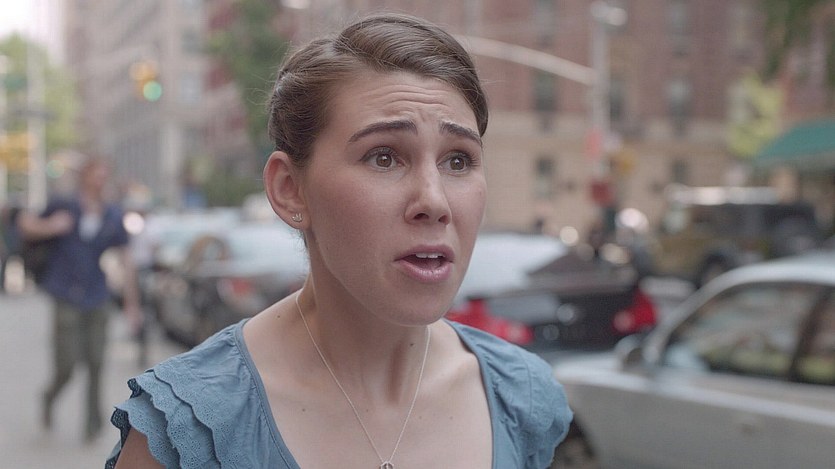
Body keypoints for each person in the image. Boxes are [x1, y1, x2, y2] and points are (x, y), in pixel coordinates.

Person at [106, 13, 572, 469]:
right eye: (384, 157)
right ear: (290, 189)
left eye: (458, 161)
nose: (434, 201)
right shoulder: (189, 432)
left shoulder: (522, 400)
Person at [17, 155, 142, 442]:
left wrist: (131, 304)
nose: (100, 180)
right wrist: (51, 226)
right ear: (84, 176)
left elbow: (127, 260)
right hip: (65, 294)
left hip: (97, 295)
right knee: (67, 365)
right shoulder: (64, 204)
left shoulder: (112, 214)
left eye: (104, 175)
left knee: (97, 362)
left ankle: (92, 426)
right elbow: (25, 224)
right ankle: (49, 397)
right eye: (95, 173)